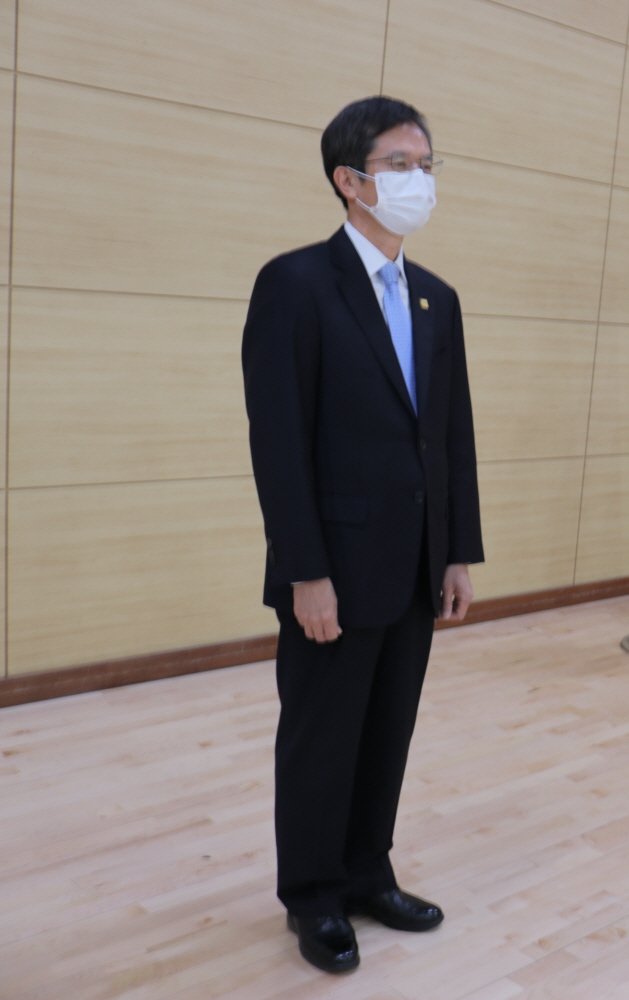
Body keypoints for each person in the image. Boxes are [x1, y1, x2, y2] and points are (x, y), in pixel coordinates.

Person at [242, 96, 483, 974]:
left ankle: (366, 872)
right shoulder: (296, 284)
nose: (420, 180)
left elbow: (449, 435)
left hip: (413, 564)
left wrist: (457, 551)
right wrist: (304, 570)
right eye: (400, 165)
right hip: (332, 570)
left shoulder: (436, 298)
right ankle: (312, 894)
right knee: (322, 736)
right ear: (350, 180)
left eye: (427, 165)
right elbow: (278, 443)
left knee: (388, 730)